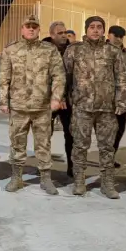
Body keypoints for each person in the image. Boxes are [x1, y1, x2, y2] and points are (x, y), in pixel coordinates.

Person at [0, 15, 65, 195]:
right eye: (27, 26)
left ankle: (45, 178)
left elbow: (59, 75)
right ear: (22, 29)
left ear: (38, 30)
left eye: (34, 27)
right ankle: (16, 177)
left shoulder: (49, 50)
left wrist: (56, 98)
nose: (31, 29)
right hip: (18, 106)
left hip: (42, 107)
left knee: (43, 144)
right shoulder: (11, 50)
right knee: (17, 143)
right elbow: (4, 77)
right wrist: (4, 101)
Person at [64, 16, 126, 198]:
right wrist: (64, 98)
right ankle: (79, 181)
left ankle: (107, 183)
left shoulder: (112, 51)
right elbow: (64, 76)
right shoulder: (74, 50)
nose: (95, 30)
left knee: (107, 147)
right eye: (91, 27)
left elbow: (122, 78)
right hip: (81, 107)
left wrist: (122, 101)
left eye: (99, 27)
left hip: (106, 109)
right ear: (86, 29)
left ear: (103, 30)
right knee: (79, 146)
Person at [43, 20, 74, 177]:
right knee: (44, 134)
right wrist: (55, 96)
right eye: (59, 33)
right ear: (52, 35)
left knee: (71, 134)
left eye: (65, 32)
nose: (63, 35)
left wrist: (64, 96)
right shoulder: (43, 50)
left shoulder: (72, 50)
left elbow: (74, 76)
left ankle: (72, 167)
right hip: (48, 100)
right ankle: (44, 167)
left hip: (68, 101)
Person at [107, 25, 126, 167]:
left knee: (119, 130)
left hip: (121, 100)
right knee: (105, 132)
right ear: (108, 35)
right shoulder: (101, 51)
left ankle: (111, 157)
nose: (118, 39)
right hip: (104, 100)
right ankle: (105, 158)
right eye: (115, 35)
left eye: (121, 36)